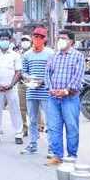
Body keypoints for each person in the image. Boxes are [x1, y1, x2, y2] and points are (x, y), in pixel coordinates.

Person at [45, 30, 85, 166]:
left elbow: (78, 76)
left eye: (63, 38)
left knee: (72, 126)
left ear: (71, 41)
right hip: (53, 97)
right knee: (54, 127)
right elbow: (47, 74)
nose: (60, 40)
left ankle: (72, 155)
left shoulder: (78, 56)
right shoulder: (53, 56)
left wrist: (66, 91)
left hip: (70, 97)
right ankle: (57, 155)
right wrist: (51, 89)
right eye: (59, 38)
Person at [20, 27, 54, 155]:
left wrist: (44, 81)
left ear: (45, 39)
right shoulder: (27, 55)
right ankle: (33, 144)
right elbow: (24, 71)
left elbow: (53, 72)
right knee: (32, 120)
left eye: (40, 37)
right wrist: (29, 79)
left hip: (45, 91)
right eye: (35, 36)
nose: (37, 39)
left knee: (50, 120)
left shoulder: (50, 53)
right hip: (31, 91)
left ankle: (51, 147)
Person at [0, 31, 23, 144]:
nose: (4, 41)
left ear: (10, 41)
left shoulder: (15, 55)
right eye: (2, 39)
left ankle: (18, 134)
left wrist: (10, 85)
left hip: (11, 87)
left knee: (15, 110)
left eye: (6, 39)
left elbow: (18, 72)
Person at [17, 35, 32, 137]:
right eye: (23, 40)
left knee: (34, 107)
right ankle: (24, 127)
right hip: (21, 83)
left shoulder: (34, 53)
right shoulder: (18, 54)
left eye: (26, 40)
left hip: (32, 83)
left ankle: (39, 127)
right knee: (22, 107)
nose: (24, 42)